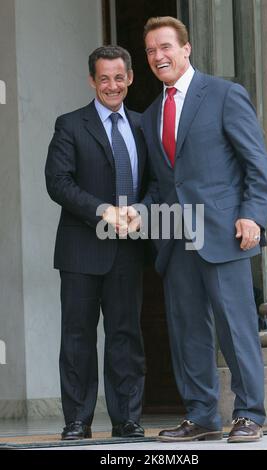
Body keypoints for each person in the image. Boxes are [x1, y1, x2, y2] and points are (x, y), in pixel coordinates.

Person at [141, 17, 267, 443]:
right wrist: (136, 214)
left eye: (165, 47)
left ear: (186, 48)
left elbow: (255, 162)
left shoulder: (223, 94)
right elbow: (162, 185)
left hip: (224, 232)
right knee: (188, 331)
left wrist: (253, 213)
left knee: (236, 327)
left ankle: (249, 413)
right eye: (150, 51)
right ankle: (201, 416)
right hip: (177, 238)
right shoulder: (150, 115)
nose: (158, 56)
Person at [45, 45, 147, 440]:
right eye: (103, 78)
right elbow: (58, 182)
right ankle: (77, 421)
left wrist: (143, 211)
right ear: (92, 80)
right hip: (80, 250)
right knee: (77, 339)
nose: (112, 85)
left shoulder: (142, 125)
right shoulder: (70, 125)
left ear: (130, 78)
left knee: (126, 337)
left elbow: (156, 182)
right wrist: (103, 210)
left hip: (128, 249)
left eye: (119, 77)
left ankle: (127, 419)